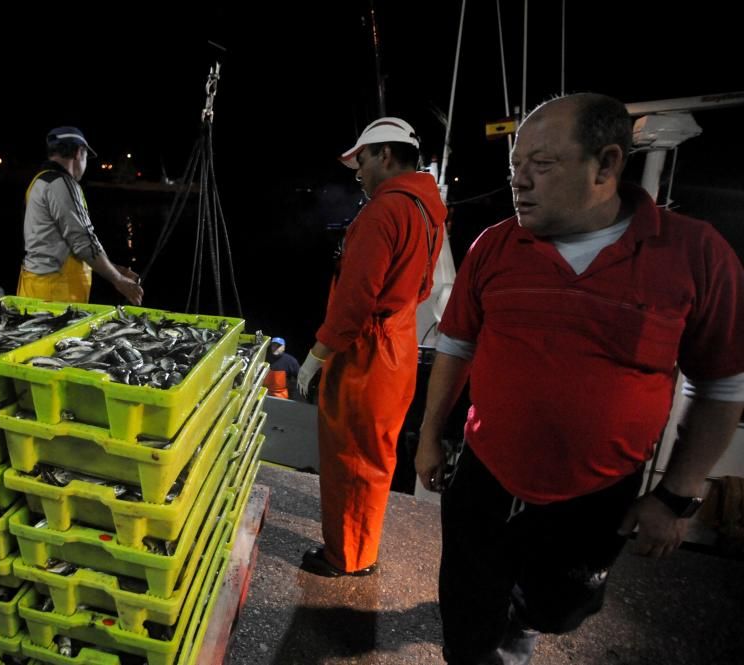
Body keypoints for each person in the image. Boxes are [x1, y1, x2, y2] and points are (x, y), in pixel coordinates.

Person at [415, 93, 744, 664]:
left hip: (598, 491)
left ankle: (525, 620)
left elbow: (720, 386)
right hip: (487, 470)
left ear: (607, 164)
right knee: (466, 608)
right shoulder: (494, 246)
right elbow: (456, 344)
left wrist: (676, 497)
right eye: (516, 167)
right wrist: (428, 438)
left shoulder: (695, 254)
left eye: (542, 166)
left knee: (559, 606)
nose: (521, 182)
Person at [297, 117, 447, 577]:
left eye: (361, 160)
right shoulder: (427, 205)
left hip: (367, 352)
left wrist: (317, 355)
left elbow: (355, 299)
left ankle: (347, 557)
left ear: (384, 155)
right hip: (397, 342)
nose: (357, 172)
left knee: (352, 456)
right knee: (376, 454)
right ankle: (360, 545)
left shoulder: (384, 210)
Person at [16, 126, 143, 305]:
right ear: (78, 152)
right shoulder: (62, 183)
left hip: (36, 290)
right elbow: (83, 240)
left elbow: (62, 245)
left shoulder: (40, 181)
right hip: (56, 297)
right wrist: (118, 280)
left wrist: (116, 269)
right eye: (86, 157)